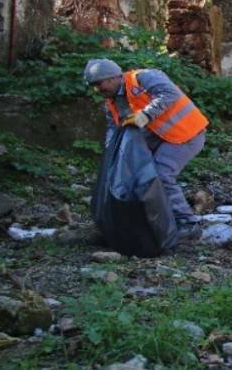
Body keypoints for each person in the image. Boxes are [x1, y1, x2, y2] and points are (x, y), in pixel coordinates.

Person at [84, 58, 208, 240]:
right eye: (93, 85)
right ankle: (158, 221)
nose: (97, 89)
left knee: (161, 174)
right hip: (161, 139)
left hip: (187, 134)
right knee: (140, 177)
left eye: (98, 84)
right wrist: (112, 155)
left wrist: (146, 114)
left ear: (111, 78)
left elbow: (169, 93)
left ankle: (187, 223)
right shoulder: (111, 102)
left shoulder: (145, 78)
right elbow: (114, 128)